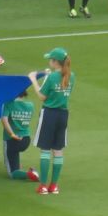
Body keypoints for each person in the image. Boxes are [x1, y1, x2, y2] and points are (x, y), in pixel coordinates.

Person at [32, 47, 73, 195]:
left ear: (55, 62)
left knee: (45, 149)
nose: (49, 61)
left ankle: (42, 185)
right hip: (63, 115)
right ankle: (54, 185)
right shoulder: (71, 76)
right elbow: (59, 91)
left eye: (51, 59)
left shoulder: (52, 77)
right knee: (58, 150)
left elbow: (43, 96)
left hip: (49, 114)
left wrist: (33, 79)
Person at [0, 87, 40, 183]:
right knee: (14, 156)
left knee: (12, 173)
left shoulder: (8, 104)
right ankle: (21, 169)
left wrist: (12, 134)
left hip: (12, 140)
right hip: (26, 140)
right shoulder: (30, 105)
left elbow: (4, 120)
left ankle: (29, 174)